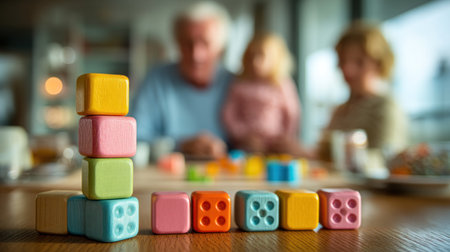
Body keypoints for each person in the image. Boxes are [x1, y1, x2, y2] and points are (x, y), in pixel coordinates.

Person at [130, 2, 233, 158]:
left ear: (221, 47)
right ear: (177, 43)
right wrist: (180, 146)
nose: (196, 55)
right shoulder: (156, 80)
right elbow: (134, 139)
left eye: (205, 43)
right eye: (187, 43)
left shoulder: (237, 83)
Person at [317, 22, 408, 161]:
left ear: (379, 63)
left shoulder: (387, 107)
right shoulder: (340, 110)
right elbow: (322, 155)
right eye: (342, 61)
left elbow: (387, 160)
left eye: (359, 62)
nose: (347, 70)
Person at [222, 32, 301, 153]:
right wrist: (242, 136)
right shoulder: (240, 85)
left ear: (276, 59)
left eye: (261, 56)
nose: (255, 61)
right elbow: (229, 114)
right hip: (247, 141)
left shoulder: (282, 84)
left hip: (276, 141)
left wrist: (286, 137)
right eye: (251, 56)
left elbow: (291, 113)